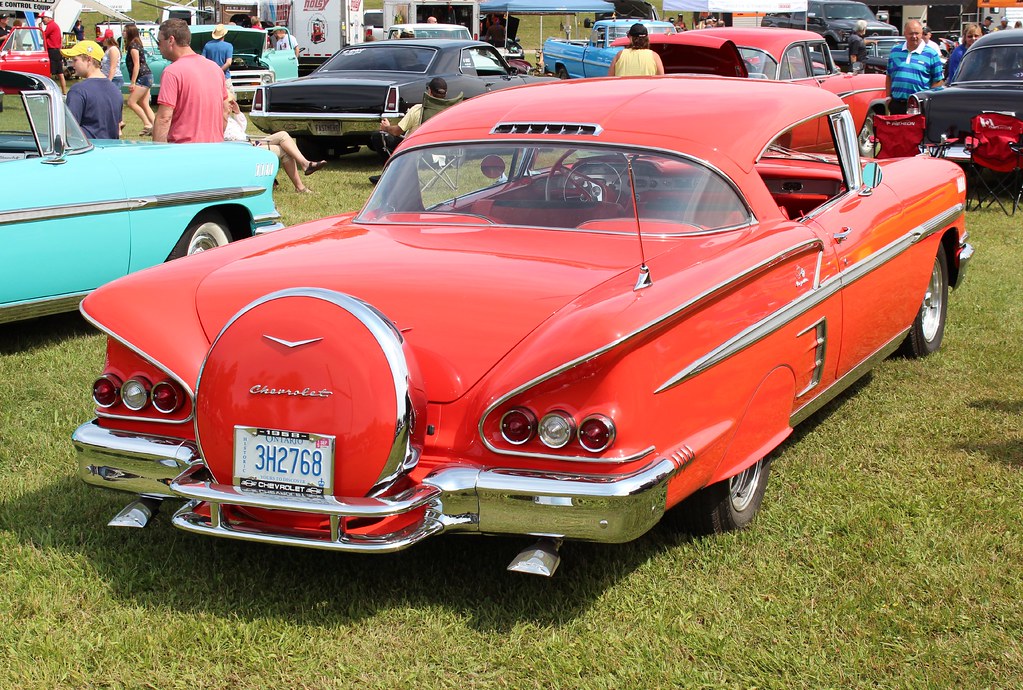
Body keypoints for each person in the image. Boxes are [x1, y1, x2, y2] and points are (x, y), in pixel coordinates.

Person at [223, 96, 326, 193]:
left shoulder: (228, 118)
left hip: (250, 143)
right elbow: (227, 137)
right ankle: (300, 184)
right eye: (229, 103)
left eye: (232, 102)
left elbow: (242, 130)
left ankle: (305, 164)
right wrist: (226, 115)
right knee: (285, 151)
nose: (231, 105)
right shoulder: (221, 120)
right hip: (244, 148)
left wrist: (237, 112)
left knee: (283, 135)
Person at [153, 19, 230, 144]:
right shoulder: (216, 69)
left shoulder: (172, 72)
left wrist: (158, 152)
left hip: (183, 150)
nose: (158, 46)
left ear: (171, 40)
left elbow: (164, 118)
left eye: (159, 42)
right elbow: (225, 110)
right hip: (214, 148)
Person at [60, 40, 122, 139]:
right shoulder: (115, 90)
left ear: (89, 60)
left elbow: (69, 129)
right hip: (109, 150)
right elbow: (118, 127)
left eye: (75, 60)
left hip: (86, 150)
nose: (72, 65)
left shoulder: (78, 91)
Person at [885, 20, 944, 115]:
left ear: (921, 33)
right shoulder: (895, 51)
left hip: (919, 106)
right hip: (897, 105)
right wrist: (888, 97)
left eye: (917, 33)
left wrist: (927, 100)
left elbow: (938, 81)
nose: (914, 36)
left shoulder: (931, 54)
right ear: (904, 34)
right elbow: (889, 76)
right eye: (911, 33)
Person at [124, 24, 156, 136]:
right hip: (147, 76)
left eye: (124, 31)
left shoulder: (133, 47)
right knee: (143, 103)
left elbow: (136, 64)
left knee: (131, 102)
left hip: (143, 76)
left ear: (130, 33)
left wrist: (133, 82)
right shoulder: (137, 44)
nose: (123, 33)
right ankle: (156, 126)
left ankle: (147, 124)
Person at [39, 13, 66, 94]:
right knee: (60, 73)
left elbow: (43, 36)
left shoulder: (51, 25)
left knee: (49, 72)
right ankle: (64, 92)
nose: (42, 20)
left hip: (52, 51)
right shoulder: (54, 25)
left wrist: (40, 29)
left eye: (43, 18)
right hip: (56, 50)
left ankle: (49, 91)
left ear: (48, 18)